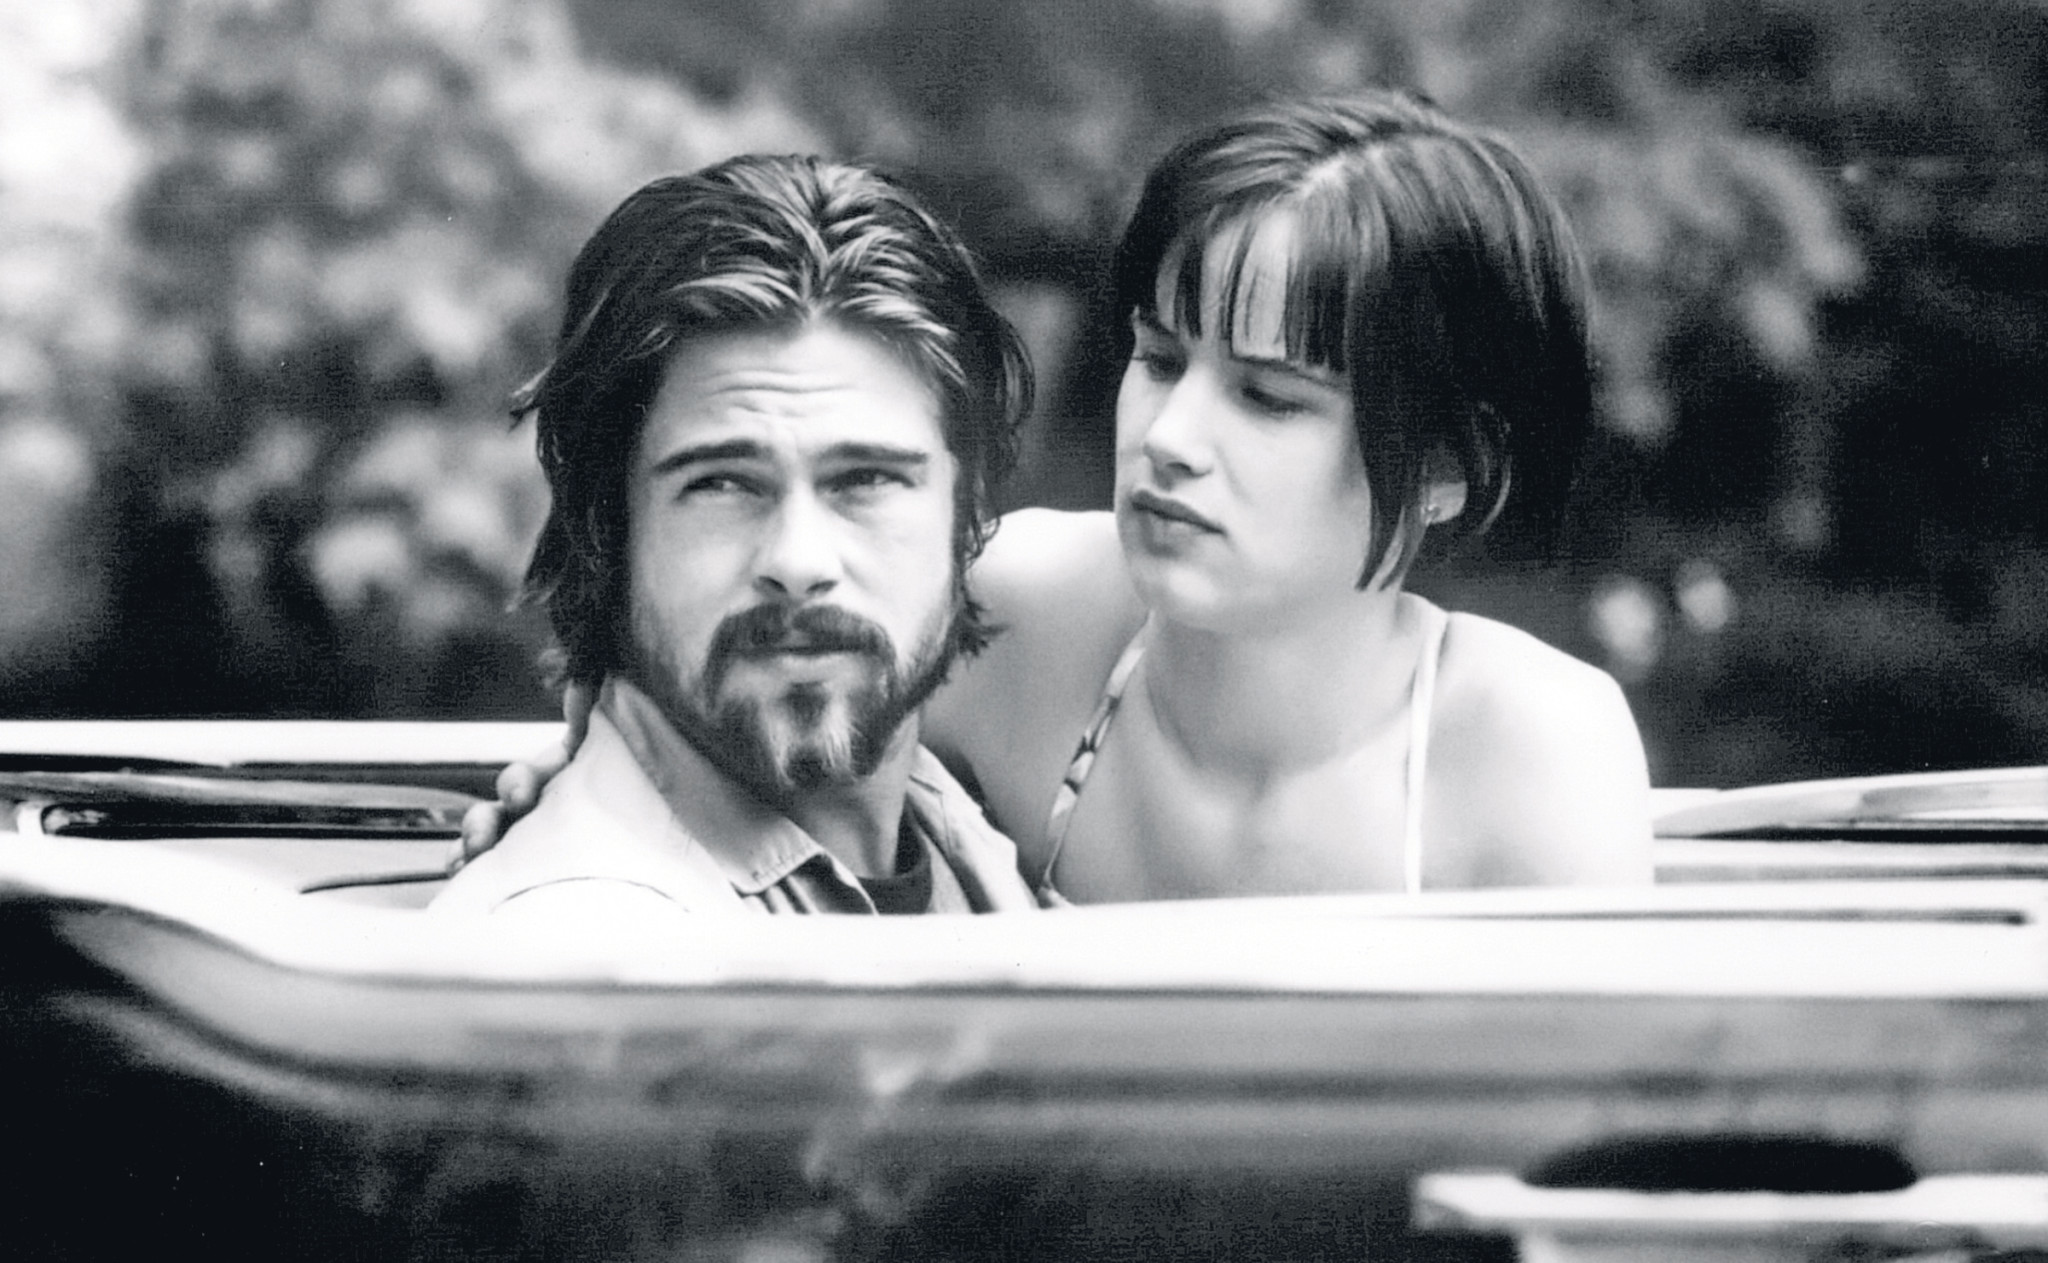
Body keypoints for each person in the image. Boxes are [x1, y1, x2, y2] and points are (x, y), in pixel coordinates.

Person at [465, 91, 1655, 903]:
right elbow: (705, 645)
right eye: (1160, 359)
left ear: (1448, 467)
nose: (1170, 440)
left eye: (1267, 398)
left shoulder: (1526, 754)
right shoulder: (1020, 604)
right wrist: (575, 778)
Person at [431, 154, 1039, 919]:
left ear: (966, 512)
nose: (798, 561)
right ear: (609, 530)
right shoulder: (589, 935)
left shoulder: (967, 825)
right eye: (722, 484)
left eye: (866, 478)